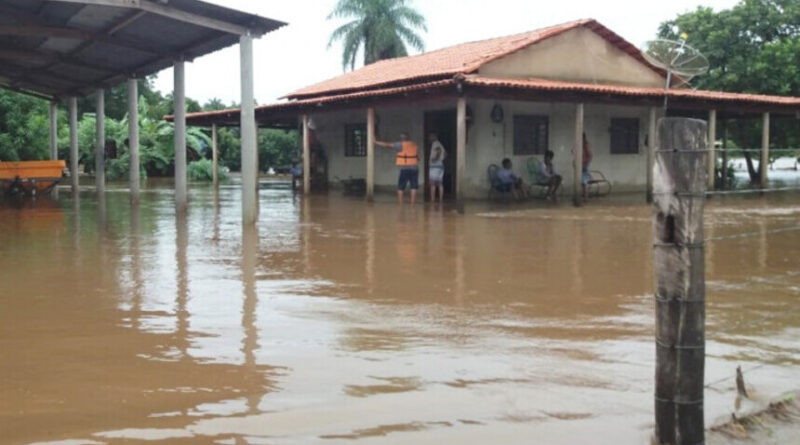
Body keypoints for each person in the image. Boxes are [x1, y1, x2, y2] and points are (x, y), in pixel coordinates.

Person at [376, 132, 419, 205]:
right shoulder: (414, 145)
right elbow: (417, 157)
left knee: (401, 187)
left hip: (405, 169)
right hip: (415, 168)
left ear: (402, 139)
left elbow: (387, 145)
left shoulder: (400, 145)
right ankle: (413, 205)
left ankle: (400, 204)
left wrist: (376, 142)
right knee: (414, 186)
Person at [428, 133, 446, 203]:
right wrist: (441, 159)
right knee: (440, 183)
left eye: (430, 136)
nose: (429, 138)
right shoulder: (440, 144)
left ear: (434, 137)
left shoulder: (435, 143)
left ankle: (432, 199)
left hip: (434, 166)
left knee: (433, 184)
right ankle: (441, 199)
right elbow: (445, 154)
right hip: (440, 165)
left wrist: (435, 158)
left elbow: (438, 150)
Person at [582, 133, 594, 200]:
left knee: (584, 182)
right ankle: (585, 195)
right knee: (582, 182)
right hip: (581, 165)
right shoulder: (580, 144)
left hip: (585, 165)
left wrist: (585, 164)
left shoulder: (586, 145)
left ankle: (586, 196)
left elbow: (590, 155)